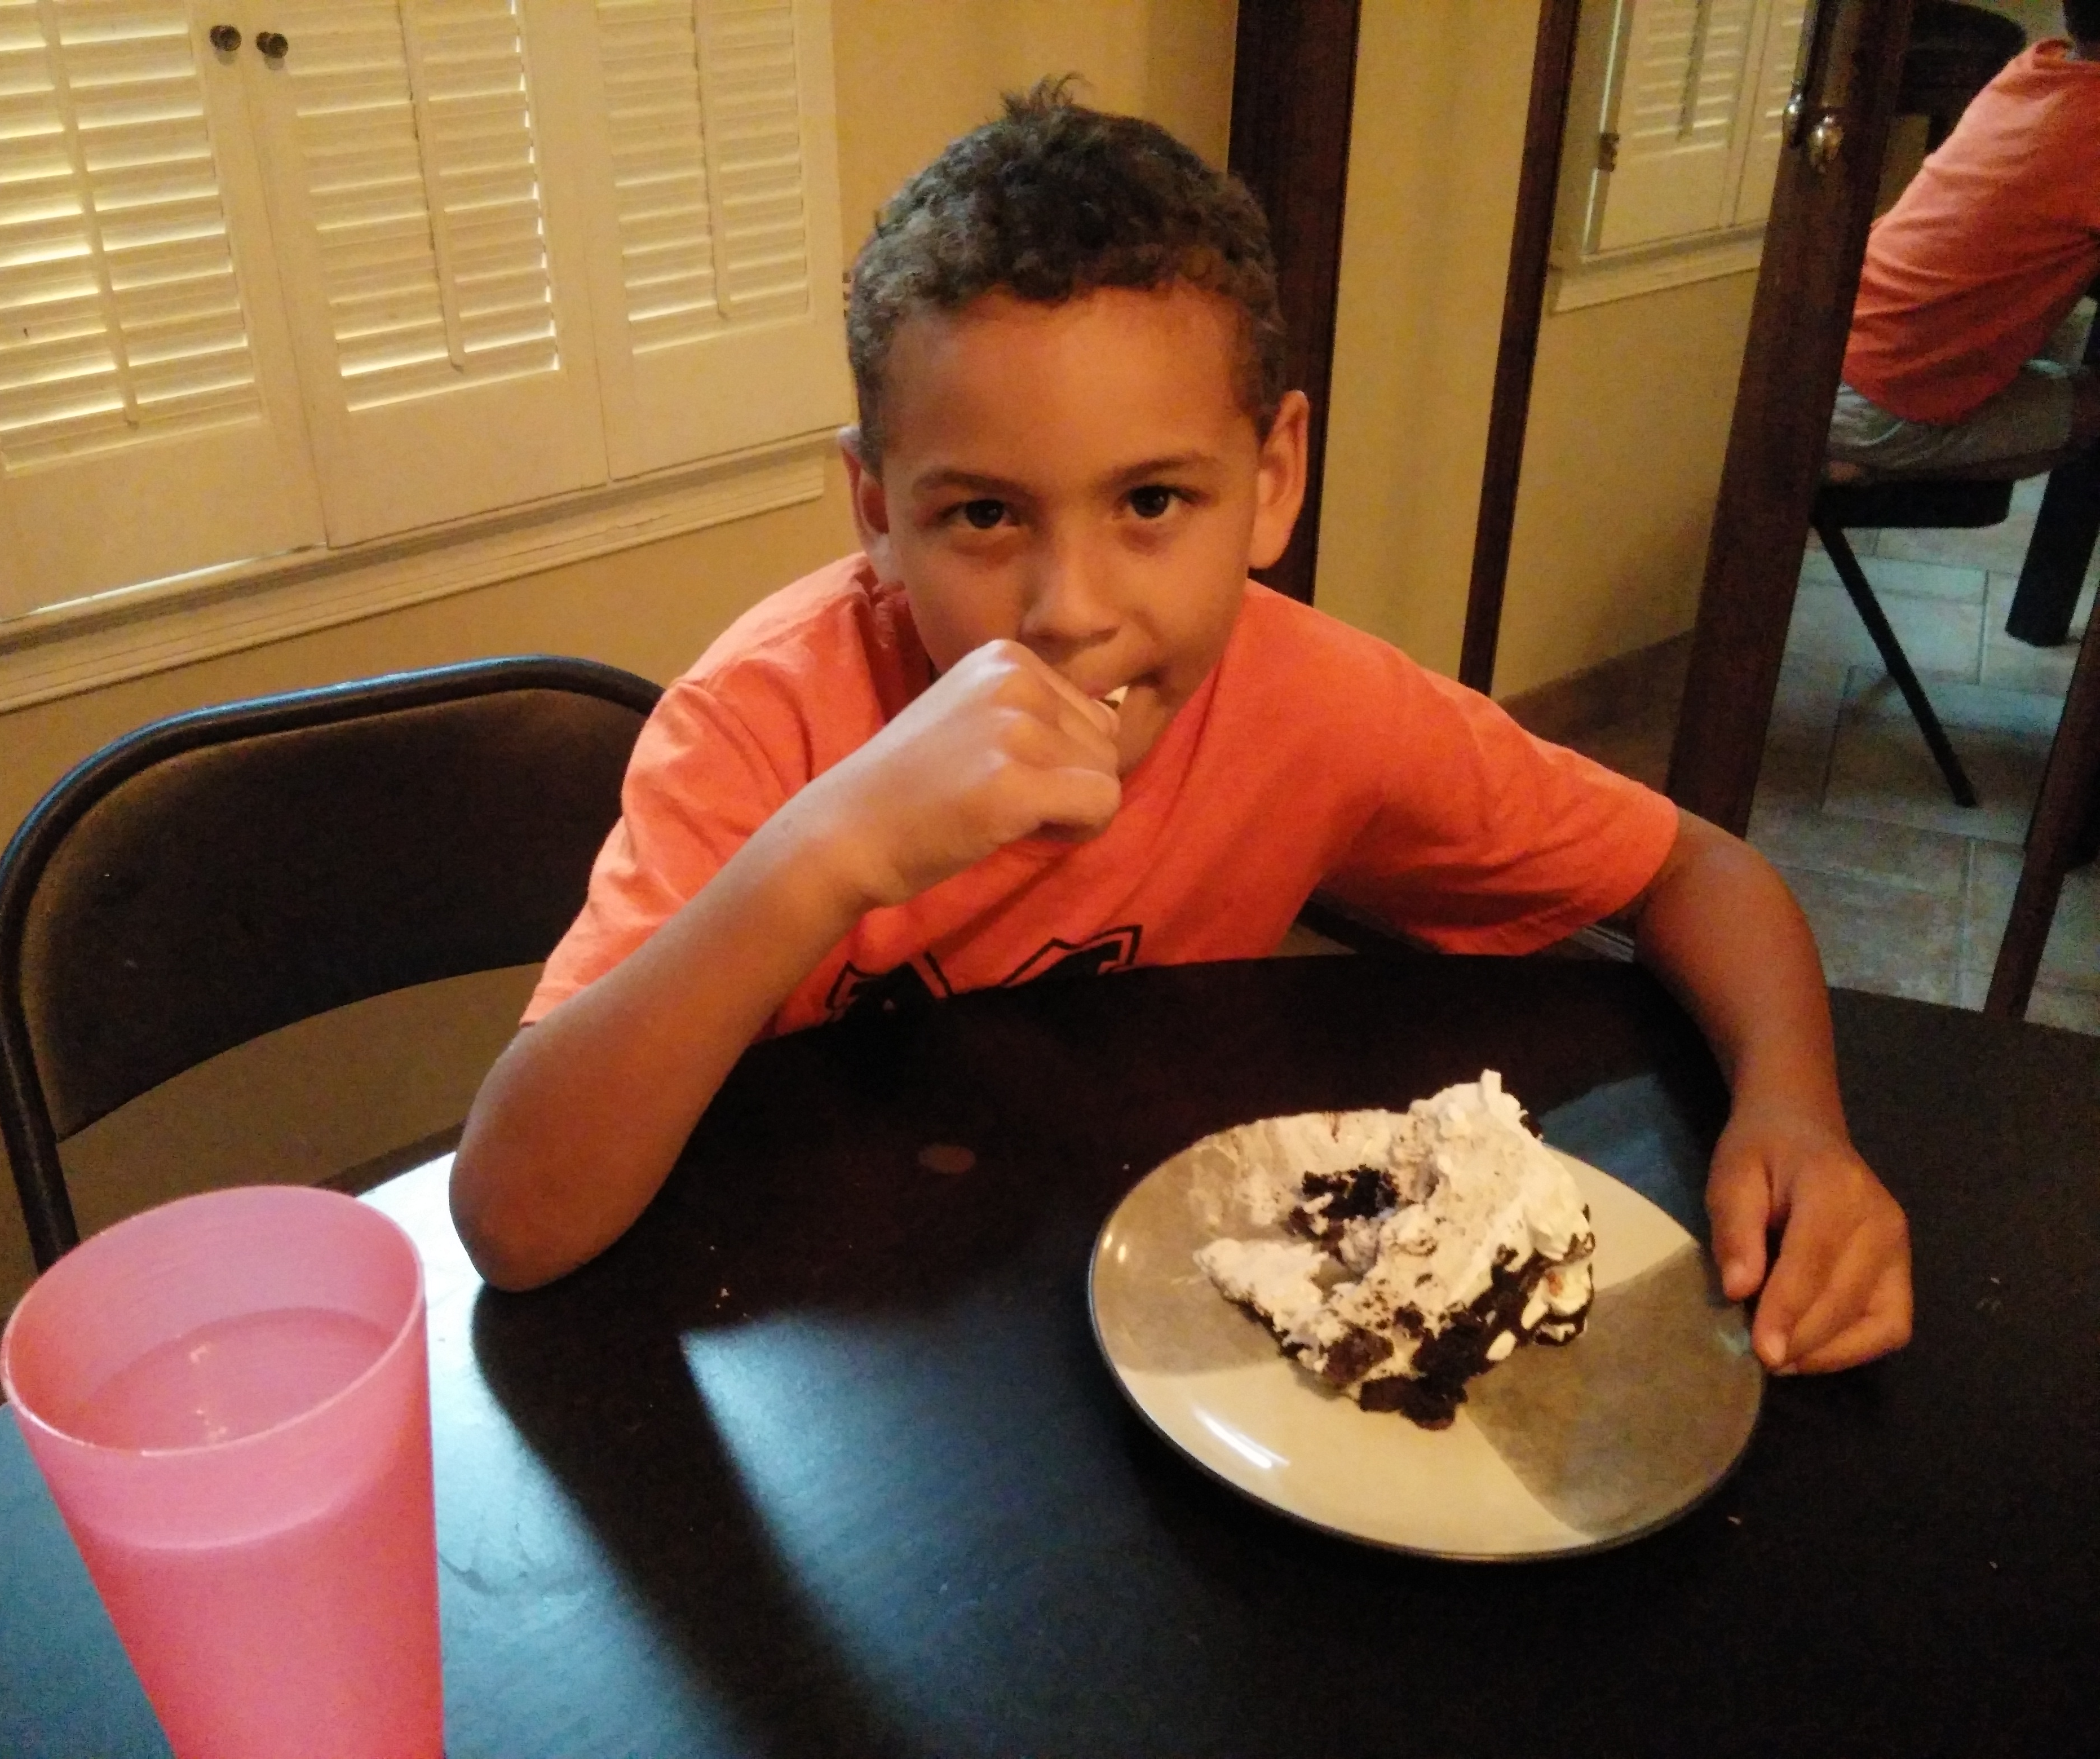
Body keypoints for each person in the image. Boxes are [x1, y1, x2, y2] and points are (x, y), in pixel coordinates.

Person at [455, 83, 1911, 1376]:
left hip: (1149, 1325)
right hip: (821, 1347)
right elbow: (517, 1221)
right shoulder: (763, 721)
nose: (1071, 610)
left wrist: (1796, 1115)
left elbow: (1698, 870)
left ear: (1272, 480)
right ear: (877, 512)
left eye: (1151, 501)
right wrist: (825, 850)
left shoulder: (1314, 703)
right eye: (983, 514)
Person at [1828, 3, 2100, 479]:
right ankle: (1868, 470)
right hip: (1881, 403)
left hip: (1833, 343)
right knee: (2090, 411)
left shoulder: (2038, 66)